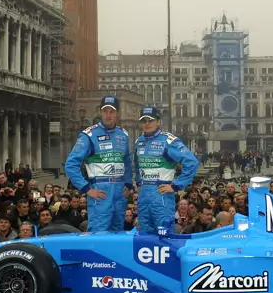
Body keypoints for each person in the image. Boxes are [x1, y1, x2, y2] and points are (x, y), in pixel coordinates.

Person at [64, 96, 132, 232]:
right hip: (100, 191)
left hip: (119, 192)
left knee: (118, 233)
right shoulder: (89, 135)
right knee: (98, 234)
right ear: (100, 112)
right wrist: (86, 189)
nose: (108, 115)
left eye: (112, 111)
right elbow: (70, 165)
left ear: (117, 113)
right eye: (105, 111)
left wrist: (128, 183)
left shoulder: (123, 134)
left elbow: (127, 160)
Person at [133, 106, 200, 234]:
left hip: (161, 194)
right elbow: (136, 164)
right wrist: (138, 182)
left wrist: (176, 186)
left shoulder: (168, 140)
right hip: (144, 195)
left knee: (164, 235)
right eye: (144, 120)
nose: (147, 123)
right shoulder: (139, 141)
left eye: (150, 120)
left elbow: (192, 162)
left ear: (158, 122)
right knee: (145, 235)